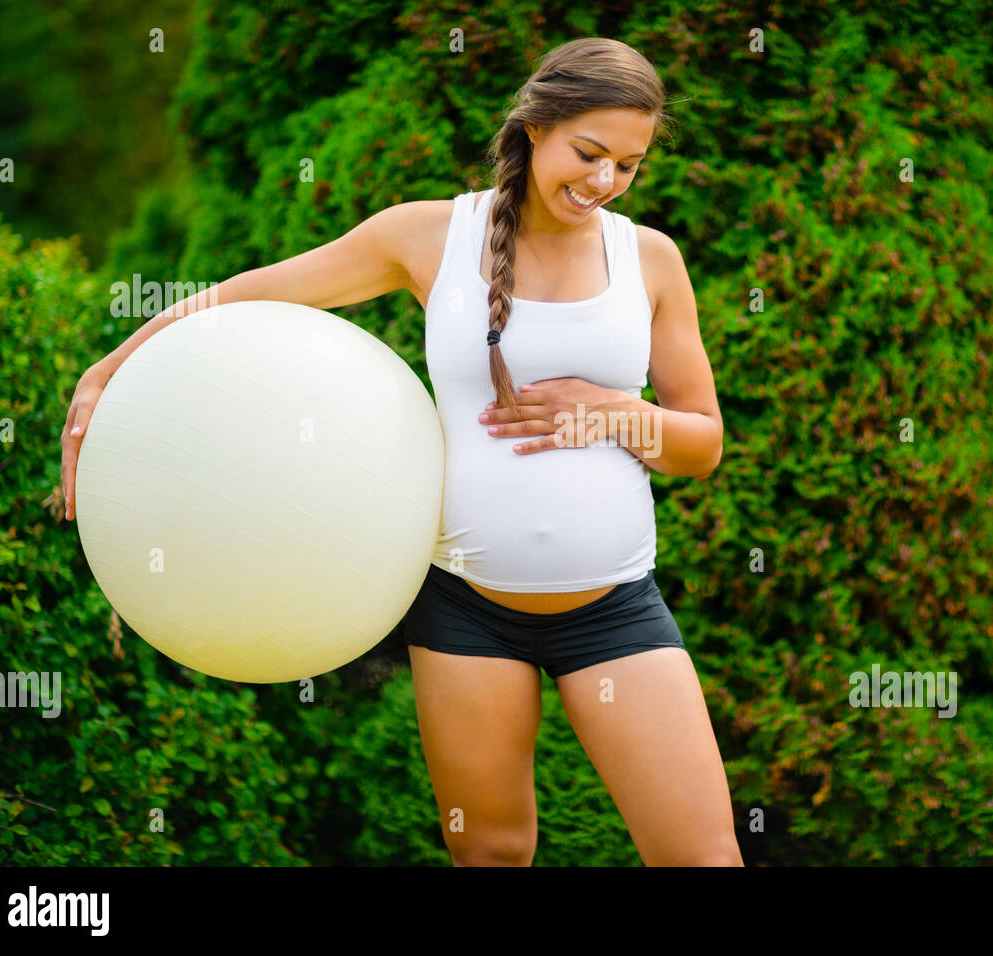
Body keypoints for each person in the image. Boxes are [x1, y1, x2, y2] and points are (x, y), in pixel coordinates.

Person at [61, 37, 741, 867]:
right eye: (589, 153)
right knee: (489, 852)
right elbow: (246, 295)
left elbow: (701, 442)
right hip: (466, 612)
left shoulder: (650, 260)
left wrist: (611, 414)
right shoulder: (427, 237)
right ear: (534, 128)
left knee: (701, 858)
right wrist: (109, 369)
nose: (604, 182)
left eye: (628, 166)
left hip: (616, 610)